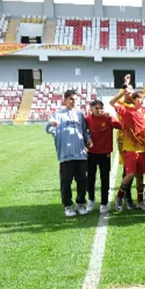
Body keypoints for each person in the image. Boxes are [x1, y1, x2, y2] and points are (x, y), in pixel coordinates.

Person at [45, 89, 91, 217]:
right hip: (65, 155)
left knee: (82, 180)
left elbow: (85, 131)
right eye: (71, 99)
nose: (73, 101)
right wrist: (51, 124)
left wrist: (88, 139)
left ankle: (81, 204)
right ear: (64, 100)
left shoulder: (80, 115)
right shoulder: (58, 114)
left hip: (81, 154)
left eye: (75, 99)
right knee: (66, 182)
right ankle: (68, 206)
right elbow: (47, 129)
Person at [109, 84, 145, 211]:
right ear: (133, 100)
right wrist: (122, 94)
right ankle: (119, 197)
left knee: (140, 176)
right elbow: (112, 102)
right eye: (139, 98)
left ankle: (140, 202)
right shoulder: (126, 110)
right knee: (130, 174)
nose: (142, 100)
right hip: (130, 148)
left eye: (143, 98)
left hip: (142, 149)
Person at [86, 99, 123, 214]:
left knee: (105, 179)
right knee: (90, 179)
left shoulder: (108, 118)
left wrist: (112, 116)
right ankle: (91, 200)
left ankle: (104, 203)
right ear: (91, 109)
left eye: (100, 108)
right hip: (91, 153)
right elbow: (83, 131)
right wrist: (87, 138)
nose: (99, 110)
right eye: (96, 108)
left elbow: (121, 126)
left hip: (105, 154)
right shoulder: (87, 119)